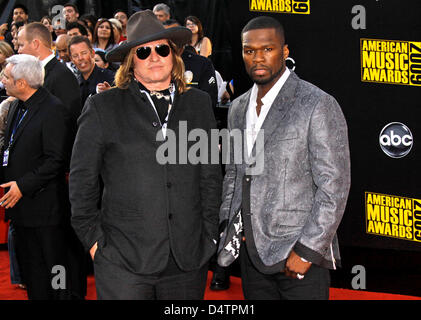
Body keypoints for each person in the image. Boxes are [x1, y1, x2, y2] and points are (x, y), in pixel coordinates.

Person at [69, 10, 222, 300]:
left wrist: (209, 235)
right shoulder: (103, 107)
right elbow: (81, 182)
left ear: (173, 55)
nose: (154, 57)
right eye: (143, 52)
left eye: (162, 49)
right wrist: (95, 243)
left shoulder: (199, 104)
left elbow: (210, 176)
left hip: (188, 260)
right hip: (123, 261)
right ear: (130, 61)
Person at [217, 16, 351, 300]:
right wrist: (231, 230)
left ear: (285, 51)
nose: (258, 58)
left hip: (298, 257)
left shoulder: (316, 103)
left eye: (267, 48)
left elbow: (334, 185)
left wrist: (307, 250)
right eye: (249, 50)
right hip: (252, 256)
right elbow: (234, 175)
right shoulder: (238, 108)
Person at [17, 22, 86, 299]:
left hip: (61, 180)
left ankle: (70, 294)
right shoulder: (42, 76)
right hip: (43, 182)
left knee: (62, 250)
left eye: (21, 44)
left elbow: (69, 128)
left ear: (35, 44)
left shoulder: (61, 76)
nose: (18, 49)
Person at [0, 54, 70, 299]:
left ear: (22, 83)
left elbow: (56, 160)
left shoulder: (53, 110)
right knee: (32, 273)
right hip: (21, 210)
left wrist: (22, 186)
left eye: (6, 77)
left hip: (46, 210)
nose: (2, 80)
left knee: (55, 272)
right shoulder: (16, 106)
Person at [68, 36, 115, 105]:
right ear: (71, 59)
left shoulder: (110, 78)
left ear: (92, 53)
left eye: (84, 53)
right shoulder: (72, 85)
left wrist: (111, 94)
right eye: (75, 56)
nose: (80, 58)